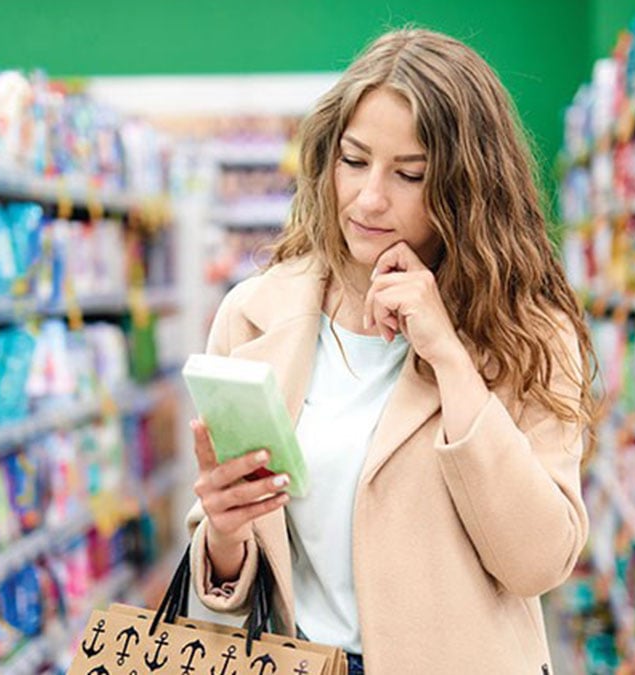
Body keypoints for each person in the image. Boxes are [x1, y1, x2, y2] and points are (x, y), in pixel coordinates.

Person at [186, 28, 596, 674]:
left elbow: (538, 561)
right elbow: (223, 601)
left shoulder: (527, 333)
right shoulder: (254, 315)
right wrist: (224, 529)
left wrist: (452, 359)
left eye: (410, 174)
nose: (370, 198)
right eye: (353, 161)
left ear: (466, 189)